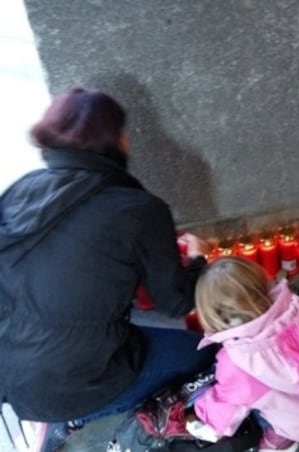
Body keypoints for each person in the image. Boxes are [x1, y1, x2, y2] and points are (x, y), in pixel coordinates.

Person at [0, 88, 215, 451]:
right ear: (116, 142)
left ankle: (57, 414)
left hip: (13, 379)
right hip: (83, 378)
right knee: (213, 355)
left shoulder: (22, 190)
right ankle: (85, 417)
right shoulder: (138, 209)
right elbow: (175, 302)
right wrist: (198, 260)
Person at [191, 257, 299, 452]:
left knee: (253, 406)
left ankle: (282, 439)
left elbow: (227, 408)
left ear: (211, 314)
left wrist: (203, 415)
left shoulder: (238, 363)